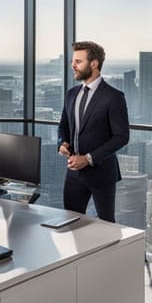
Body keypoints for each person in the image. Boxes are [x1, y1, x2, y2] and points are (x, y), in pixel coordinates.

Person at [58, 41, 130, 223]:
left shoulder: (113, 97)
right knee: (70, 223)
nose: (73, 65)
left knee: (107, 227)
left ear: (94, 64)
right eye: (73, 61)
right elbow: (64, 125)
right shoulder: (71, 94)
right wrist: (62, 142)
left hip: (102, 174)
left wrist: (88, 158)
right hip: (73, 174)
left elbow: (121, 137)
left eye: (78, 61)